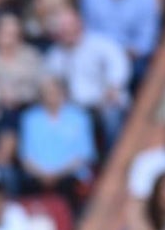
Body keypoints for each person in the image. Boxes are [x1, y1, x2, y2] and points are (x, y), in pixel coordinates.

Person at [43, 8, 131, 151]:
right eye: (63, 29)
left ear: (79, 24)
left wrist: (114, 85)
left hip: (105, 101)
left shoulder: (100, 43)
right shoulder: (55, 56)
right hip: (76, 107)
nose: (67, 32)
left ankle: (114, 158)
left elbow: (118, 63)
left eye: (69, 26)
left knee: (112, 116)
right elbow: (50, 82)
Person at [18, 76, 96, 215]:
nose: (51, 97)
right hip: (38, 177)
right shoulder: (30, 119)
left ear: (63, 93)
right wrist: (43, 175)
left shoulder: (79, 117)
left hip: (70, 175)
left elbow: (84, 155)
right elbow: (26, 157)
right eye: (47, 93)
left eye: (54, 92)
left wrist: (57, 174)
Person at [0, 14, 45, 112]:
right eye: (3, 32)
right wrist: (0, 92)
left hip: (26, 106)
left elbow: (38, 83)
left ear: (19, 35)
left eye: (11, 34)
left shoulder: (31, 55)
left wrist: (16, 96)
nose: (7, 38)